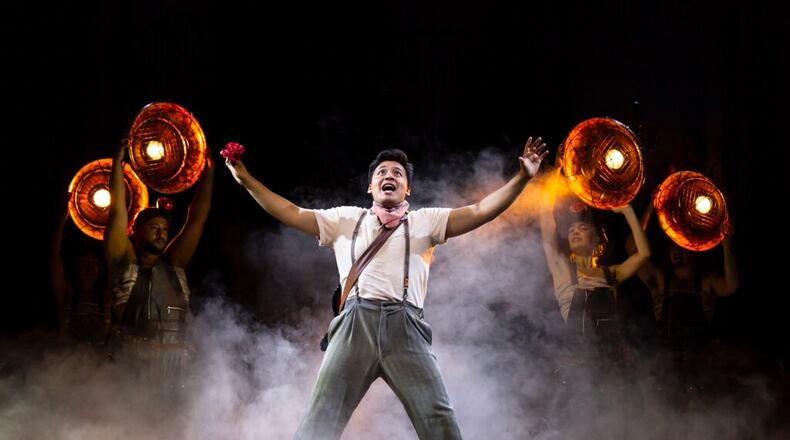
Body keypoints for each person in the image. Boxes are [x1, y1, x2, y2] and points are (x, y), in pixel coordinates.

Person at [225, 137, 547, 439]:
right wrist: (245, 179)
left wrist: (521, 179)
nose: (388, 175)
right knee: (320, 420)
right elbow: (291, 212)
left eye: (397, 173)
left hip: (406, 328)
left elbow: (479, 212)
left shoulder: (426, 221)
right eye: (381, 172)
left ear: (407, 189)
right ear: (370, 186)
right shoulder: (346, 220)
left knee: (439, 419)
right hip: (355, 325)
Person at [104, 139, 213, 396]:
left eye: (164, 229)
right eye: (154, 228)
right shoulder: (125, 263)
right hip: (132, 377)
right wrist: (117, 166)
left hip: (176, 379)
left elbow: (197, 217)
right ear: (136, 233)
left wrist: (208, 173)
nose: (161, 233)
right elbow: (116, 213)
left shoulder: (176, 264)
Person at [539, 167, 651, 342]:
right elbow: (545, 215)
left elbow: (644, 254)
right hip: (578, 357)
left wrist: (627, 212)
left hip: (609, 356)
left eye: (582, 228)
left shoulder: (611, 273)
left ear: (596, 241)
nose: (575, 232)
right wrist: (557, 169)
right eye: (571, 230)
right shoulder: (561, 268)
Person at [50, 194, 110, 346]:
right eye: (85, 264)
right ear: (76, 267)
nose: (90, 268)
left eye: (94, 264)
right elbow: (54, 256)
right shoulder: (67, 293)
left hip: (99, 363)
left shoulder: (106, 297)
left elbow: (119, 258)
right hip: (68, 360)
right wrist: (63, 217)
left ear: (100, 269)